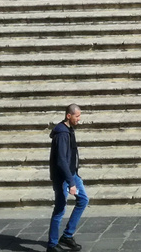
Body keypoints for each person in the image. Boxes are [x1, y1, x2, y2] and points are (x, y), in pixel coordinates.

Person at [48, 104, 88, 251]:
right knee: (59, 209)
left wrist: (75, 175)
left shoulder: (69, 130)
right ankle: (52, 245)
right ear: (68, 116)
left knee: (83, 200)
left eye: (79, 116)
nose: (79, 119)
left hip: (72, 174)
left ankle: (67, 236)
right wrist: (71, 182)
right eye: (77, 116)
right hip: (63, 177)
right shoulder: (62, 134)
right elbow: (61, 161)